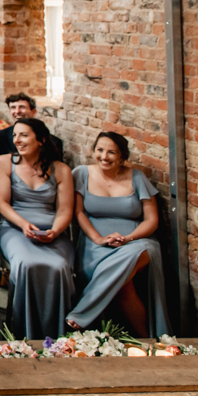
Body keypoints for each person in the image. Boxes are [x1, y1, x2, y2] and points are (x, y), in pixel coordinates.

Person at [67, 132, 170, 337]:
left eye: (111, 152)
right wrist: (97, 238)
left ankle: (84, 310)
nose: (104, 156)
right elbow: (77, 212)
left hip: (138, 240)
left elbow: (152, 220)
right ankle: (147, 340)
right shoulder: (81, 174)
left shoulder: (137, 177)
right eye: (100, 150)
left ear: (122, 157)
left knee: (131, 255)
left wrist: (128, 238)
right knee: (124, 286)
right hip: (96, 242)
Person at [0, 118, 74, 340]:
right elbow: (2, 203)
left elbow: (65, 210)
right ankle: (22, 332)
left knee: (57, 266)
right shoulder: (4, 162)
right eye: (15, 135)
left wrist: (55, 232)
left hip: (53, 231)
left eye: (24, 135)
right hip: (14, 228)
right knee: (26, 264)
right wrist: (23, 224)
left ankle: (56, 334)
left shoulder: (61, 170)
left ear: (41, 139)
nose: (17, 140)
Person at [0, 92, 64, 159]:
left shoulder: (54, 142)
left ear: (33, 112)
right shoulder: (1, 137)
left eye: (22, 107)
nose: (17, 111)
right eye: (13, 107)